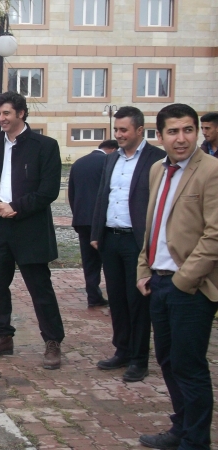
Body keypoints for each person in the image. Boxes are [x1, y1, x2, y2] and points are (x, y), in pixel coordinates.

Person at [136, 103, 218, 450]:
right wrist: (143, 268)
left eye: (188, 129)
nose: (181, 138)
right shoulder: (158, 169)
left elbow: (214, 234)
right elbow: (153, 224)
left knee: (189, 366)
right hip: (158, 281)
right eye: (173, 131)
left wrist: (185, 280)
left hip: (192, 286)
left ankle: (196, 441)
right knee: (168, 361)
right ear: (160, 136)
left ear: (198, 131)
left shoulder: (211, 170)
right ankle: (181, 428)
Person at [0, 91, 65, 370]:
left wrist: (16, 207)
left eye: (6, 113)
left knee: (40, 287)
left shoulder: (44, 146)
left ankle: (53, 342)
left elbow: (48, 191)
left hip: (30, 227)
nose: (1, 119)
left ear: (21, 114)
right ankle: (2, 337)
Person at [90, 106, 166, 382]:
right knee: (117, 299)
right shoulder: (112, 159)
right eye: (116, 130)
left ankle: (139, 359)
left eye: (123, 130)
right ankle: (121, 350)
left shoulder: (157, 158)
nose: (118, 135)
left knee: (137, 301)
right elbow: (103, 196)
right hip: (111, 238)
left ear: (139, 131)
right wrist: (96, 233)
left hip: (138, 242)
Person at [68, 140, 118, 308]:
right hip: (103, 220)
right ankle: (115, 298)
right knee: (110, 261)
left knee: (89, 261)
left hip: (82, 219)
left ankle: (93, 295)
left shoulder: (78, 163)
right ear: (112, 149)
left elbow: (71, 192)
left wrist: (77, 215)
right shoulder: (109, 161)